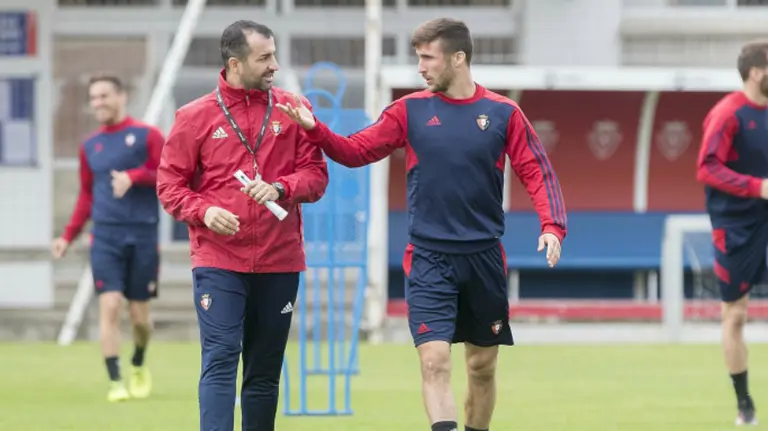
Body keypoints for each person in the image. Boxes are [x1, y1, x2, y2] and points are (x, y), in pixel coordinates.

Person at [278, 17, 566, 431]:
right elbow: (355, 150)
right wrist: (315, 129)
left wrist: (552, 225)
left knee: (481, 366)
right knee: (434, 362)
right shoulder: (408, 111)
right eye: (419, 58)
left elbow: (537, 172)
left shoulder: (503, 113)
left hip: (484, 258)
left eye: (428, 58)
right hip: (429, 257)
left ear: (458, 58)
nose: (421, 67)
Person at [156, 20, 329, 431]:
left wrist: (281, 187)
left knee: (265, 370)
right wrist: (203, 211)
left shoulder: (293, 109)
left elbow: (317, 177)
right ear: (235, 63)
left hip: (280, 259)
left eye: (273, 55)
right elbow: (169, 185)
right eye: (264, 57)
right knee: (220, 358)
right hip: (219, 259)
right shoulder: (194, 116)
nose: (275, 65)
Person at [51, 74, 164, 402]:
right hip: (105, 237)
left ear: (122, 96)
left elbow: (169, 175)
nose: (97, 103)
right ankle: (116, 382)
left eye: (104, 96)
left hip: (143, 235)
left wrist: (134, 176)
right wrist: (67, 236)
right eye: (93, 98)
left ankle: (139, 362)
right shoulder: (90, 146)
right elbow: (87, 195)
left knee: (139, 318)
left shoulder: (147, 135)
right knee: (110, 305)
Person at [696, 40, 768, 427]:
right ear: (757, 71)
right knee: (736, 316)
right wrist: (757, 187)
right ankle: (745, 404)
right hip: (737, 227)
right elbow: (707, 168)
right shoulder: (728, 114)